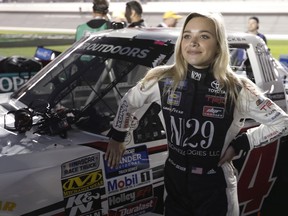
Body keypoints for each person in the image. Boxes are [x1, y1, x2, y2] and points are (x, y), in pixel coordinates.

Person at [105, 11, 288, 216]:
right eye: (187, 35)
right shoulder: (161, 79)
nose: (193, 42)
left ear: (219, 45)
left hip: (215, 186)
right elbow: (129, 101)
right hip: (174, 181)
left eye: (204, 36)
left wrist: (241, 144)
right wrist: (118, 136)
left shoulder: (237, 87)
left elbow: (282, 122)